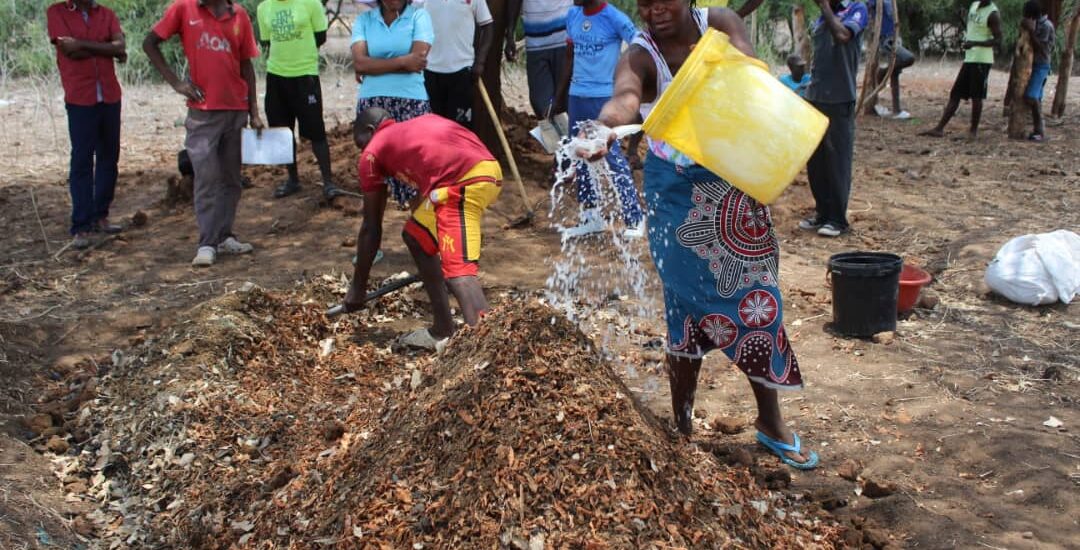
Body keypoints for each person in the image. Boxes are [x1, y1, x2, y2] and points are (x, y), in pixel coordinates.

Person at [585, 0, 818, 470]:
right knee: (684, 309)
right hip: (674, 193)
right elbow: (626, 97)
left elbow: (747, 73)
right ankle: (682, 427)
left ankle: (770, 421)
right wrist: (604, 127)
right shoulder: (640, 54)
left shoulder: (720, 23)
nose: (654, 10)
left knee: (757, 298)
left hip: (731, 180)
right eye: (644, 2)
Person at [343, 109, 502, 351]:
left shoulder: (372, 153)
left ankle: (492, 353)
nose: (362, 151)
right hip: (485, 169)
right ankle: (442, 330)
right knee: (416, 235)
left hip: (461, 182)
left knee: (459, 273)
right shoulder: (411, 130)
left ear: (370, 131)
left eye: (360, 144)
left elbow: (371, 228)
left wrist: (358, 288)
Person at [144, 0, 264, 267]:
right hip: (203, 113)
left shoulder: (239, 15)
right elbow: (149, 43)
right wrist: (176, 82)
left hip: (236, 109)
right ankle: (207, 242)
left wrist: (254, 111)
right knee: (207, 177)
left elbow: (247, 66)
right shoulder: (183, 8)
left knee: (231, 178)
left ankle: (224, 236)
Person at [554, 0, 645, 239]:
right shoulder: (572, 15)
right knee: (580, 155)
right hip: (577, 95)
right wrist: (560, 94)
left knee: (613, 159)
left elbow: (640, 47)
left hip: (604, 99)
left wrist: (629, 83)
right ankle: (591, 216)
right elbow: (569, 57)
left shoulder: (614, 18)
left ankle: (634, 217)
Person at [47, 0, 127, 250]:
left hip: (110, 95)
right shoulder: (57, 12)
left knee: (109, 157)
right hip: (80, 96)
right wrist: (107, 49)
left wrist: (83, 44)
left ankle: (100, 215)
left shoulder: (106, 14)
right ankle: (81, 225)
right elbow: (70, 51)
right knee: (82, 160)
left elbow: (120, 46)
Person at [257, 0, 344, 200]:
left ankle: (328, 182)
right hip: (276, 76)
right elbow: (266, 42)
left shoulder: (310, 3)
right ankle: (293, 180)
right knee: (282, 132)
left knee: (316, 130)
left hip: (305, 75)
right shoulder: (264, 8)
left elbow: (320, 37)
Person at [351, 0, 434, 207]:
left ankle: (420, 233)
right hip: (372, 107)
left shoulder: (419, 17)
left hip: (411, 102)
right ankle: (372, 231)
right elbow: (360, 63)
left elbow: (417, 61)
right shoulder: (364, 20)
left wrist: (375, 65)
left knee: (416, 174)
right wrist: (402, 61)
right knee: (375, 172)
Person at [799, 0, 868, 238]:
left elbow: (842, 35)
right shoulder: (822, 16)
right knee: (816, 161)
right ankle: (822, 212)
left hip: (840, 96)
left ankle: (838, 219)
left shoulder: (857, 9)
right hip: (816, 95)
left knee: (837, 159)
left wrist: (825, 8)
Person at [920, 0, 1001, 139]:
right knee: (955, 94)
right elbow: (974, 29)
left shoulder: (993, 14)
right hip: (970, 58)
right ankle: (939, 128)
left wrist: (975, 43)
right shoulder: (974, 6)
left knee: (977, 96)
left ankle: (973, 131)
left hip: (981, 59)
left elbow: (998, 39)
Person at [424, 0, 494, 126]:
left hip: (462, 72)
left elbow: (488, 27)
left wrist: (480, 61)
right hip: (429, 71)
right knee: (432, 129)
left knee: (460, 128)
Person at [505, 0, 573, 120]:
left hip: (566, 39)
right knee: (541, 103)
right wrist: (510, 32)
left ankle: (572, 137)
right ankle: (555, 137)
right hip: (535, 43)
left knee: (568, 100)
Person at [868, 0, 916, 119]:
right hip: (885, 38)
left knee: (895, 74)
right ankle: (882, 73)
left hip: (894, 35)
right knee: (909, 58)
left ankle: (896, 110)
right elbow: (870, 14)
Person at [1022, 0, 1054, 142]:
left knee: (1031, 96)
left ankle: (1040, 130)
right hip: (1032, 65)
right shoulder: (1035, 23)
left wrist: (1030, 30)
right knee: (1037, 98)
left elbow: (1040, 47)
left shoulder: (1046, 26)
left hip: (1041, 65)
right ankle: (1038, 131)